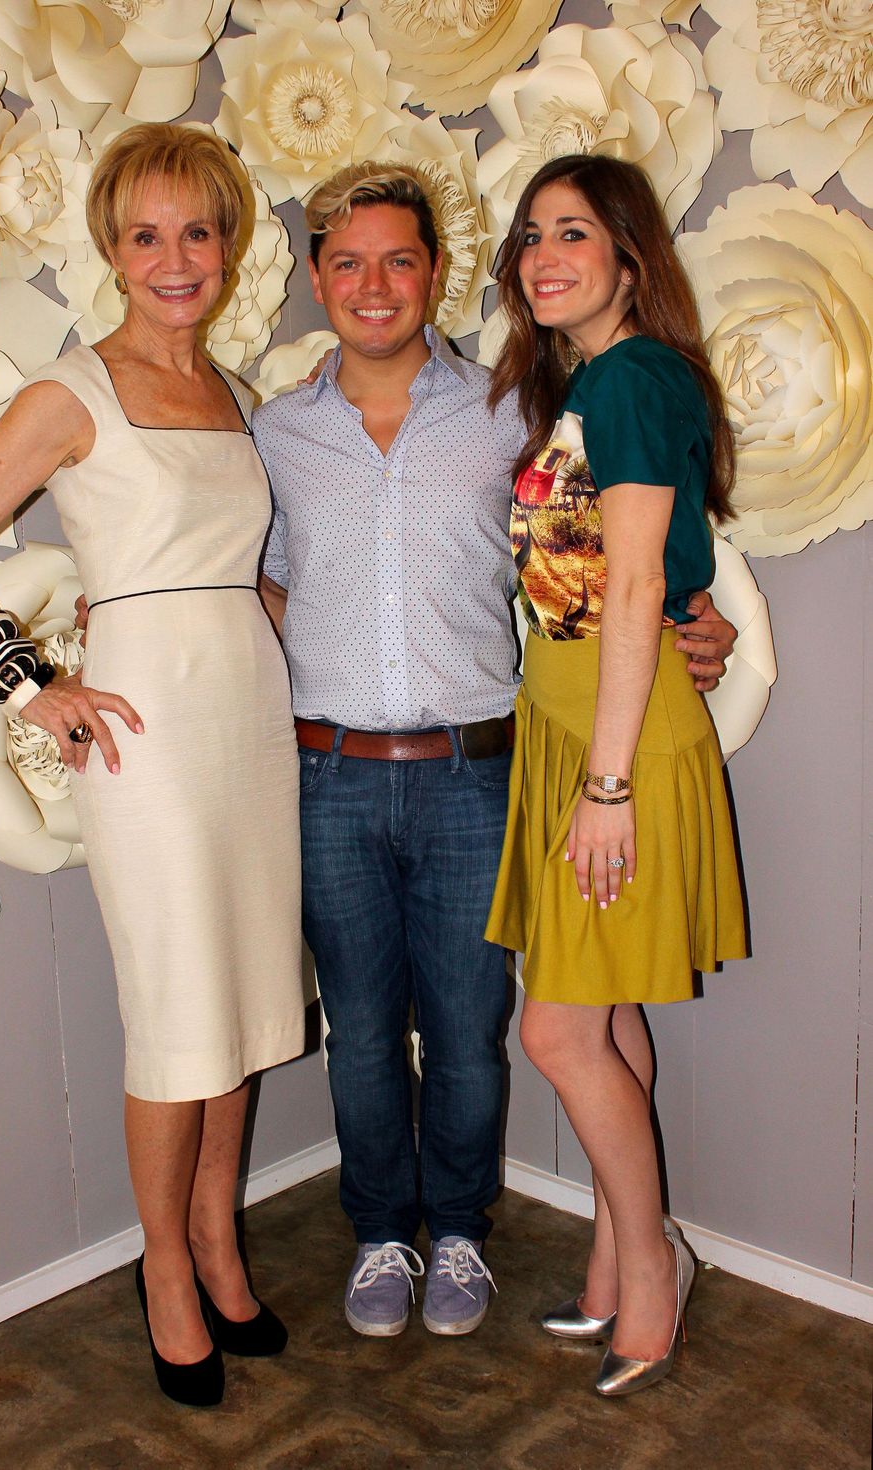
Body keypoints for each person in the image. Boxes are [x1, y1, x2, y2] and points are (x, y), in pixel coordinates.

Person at [253, 162, 737, 1340]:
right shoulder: (268, 430)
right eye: (348, 261)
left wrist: (696, 623)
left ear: (434, 275)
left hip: (488, 764)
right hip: (331, 769)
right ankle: (387, 1236)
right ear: (317, 279)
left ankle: (467, 1235)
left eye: (400, 258)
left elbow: (630, 554)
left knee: (485, 1027)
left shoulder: (510, 409)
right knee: (364, 1028)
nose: (374, 283)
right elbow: (255, 584)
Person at [0, 123, 305, 1407]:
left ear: (229, 243)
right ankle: (165, 1273)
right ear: (110, 252)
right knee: (174, 1013)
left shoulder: (235, 395)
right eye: (146, 235)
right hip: (148, 739)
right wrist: (32, 687)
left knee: (244, 1003)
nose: (174, 259)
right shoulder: (68, 391)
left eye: (197, 231)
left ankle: (216, 1240)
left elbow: (245, 570)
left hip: (247, 719)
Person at [483, 153, 747, 1396]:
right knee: (604, 1009)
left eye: (572, 232)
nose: (542, 254)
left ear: (629, 255)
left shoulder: (633, 377)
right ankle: (612, 1256)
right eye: (529, 234)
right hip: (571, 720)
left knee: (555, 1028)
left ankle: (651, 1271)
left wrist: (605, 786)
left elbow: (638, 584)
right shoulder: (592, 384)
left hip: (613, 740)